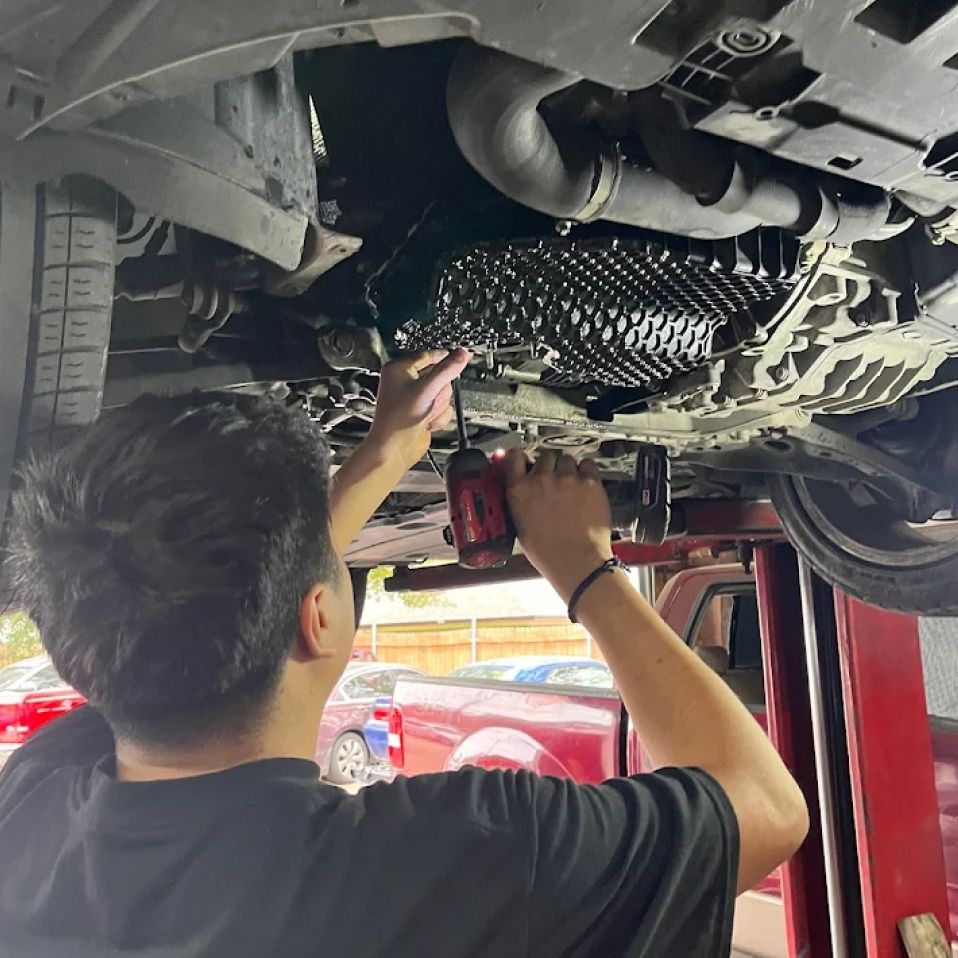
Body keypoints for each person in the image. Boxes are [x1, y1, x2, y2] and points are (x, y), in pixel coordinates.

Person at [0, 349, 807, 957]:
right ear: (318, 618)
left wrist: (386, 454)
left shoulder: (31, 822)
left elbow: (247, 604)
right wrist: (585, 568)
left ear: (78, 660)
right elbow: (767, 810)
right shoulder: (480, 854)